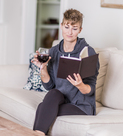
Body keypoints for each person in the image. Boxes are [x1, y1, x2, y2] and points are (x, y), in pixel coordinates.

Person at [31, 8, 99, 136]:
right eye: (67, 27)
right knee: (53, 93)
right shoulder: (54, 51)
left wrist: (80, 85)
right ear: (61, 26)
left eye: (74, 28)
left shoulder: (87, 52)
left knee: (42, 108)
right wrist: (43, 68)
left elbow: (90, 89)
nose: (70, 32)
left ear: (80, 30)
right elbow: (49, 86)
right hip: (61, 99)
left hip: (81, 106)